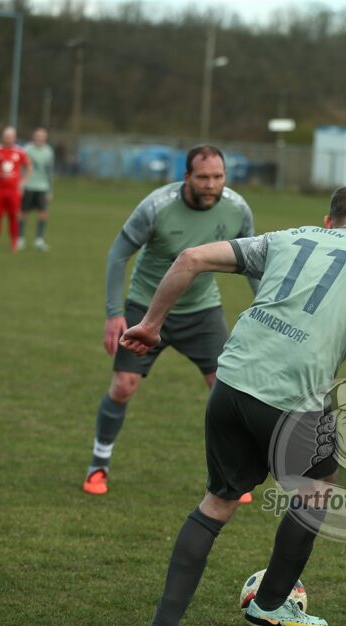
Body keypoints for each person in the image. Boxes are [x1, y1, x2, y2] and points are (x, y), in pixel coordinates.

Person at [119, 184, 346, 626]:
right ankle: (271, 604)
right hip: (294, 399)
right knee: (317, 489)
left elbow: (191, 257)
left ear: (328, 220)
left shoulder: (284, 238)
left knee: (217, 501)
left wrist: (151, 325)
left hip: (230, 383)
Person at [83, 145, 258, 498]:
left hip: (202, 311)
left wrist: (265, 307)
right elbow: (118, 255)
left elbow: (254, 262)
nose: (211, 185)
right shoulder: (156, 206)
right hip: (147, 308)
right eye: (203, 177)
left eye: (218, 177)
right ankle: (98, 465)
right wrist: (114, 313)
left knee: (225, 390)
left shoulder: (237, 208)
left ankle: (231, 474)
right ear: (186, 176)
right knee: (123, 386)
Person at [0, 126, 31, 251]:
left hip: (13, 190)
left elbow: (29, 166)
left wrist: (23, 182)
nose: (8, 139)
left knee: (13, 216)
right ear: (2, 137)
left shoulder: (20, 152)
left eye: (10, 136)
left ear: (14, 138)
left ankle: (14, 242)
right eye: (6, 136)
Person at [18, 127, 55, 251]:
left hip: (42, 187)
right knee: (24, 213)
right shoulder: (26, 150)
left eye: (42, 136)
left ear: (45, 137)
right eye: (37, 136)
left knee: (43, 214)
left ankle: (39, 240)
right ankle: (20, 239)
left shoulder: (49, 151)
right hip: (28, 186)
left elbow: (50, 172)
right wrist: (21, 183)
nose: (39, 138)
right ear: (34, 136)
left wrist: (50, 190)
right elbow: (21, 168)